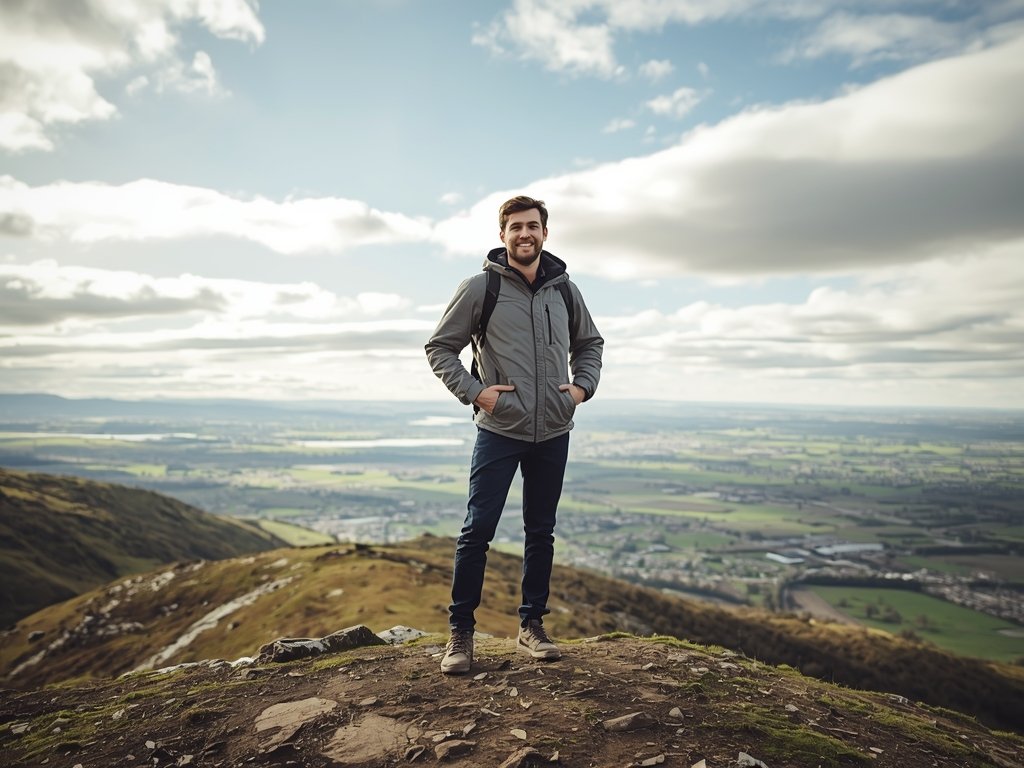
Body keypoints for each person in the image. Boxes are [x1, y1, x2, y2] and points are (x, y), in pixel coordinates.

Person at [424, 195, 604, 674]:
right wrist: (478, 394)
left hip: (555, 429)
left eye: (533, 226)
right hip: (501, 429)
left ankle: (532, 627)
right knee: (477, 530)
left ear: (545, 233)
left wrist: (581, 388)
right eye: (515, 228)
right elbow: (441, 347)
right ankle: (461, 635)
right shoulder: (482, 287)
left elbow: (590, 343)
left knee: (540, 531)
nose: (525, 234)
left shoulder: (565, 291)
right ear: (502, 235)